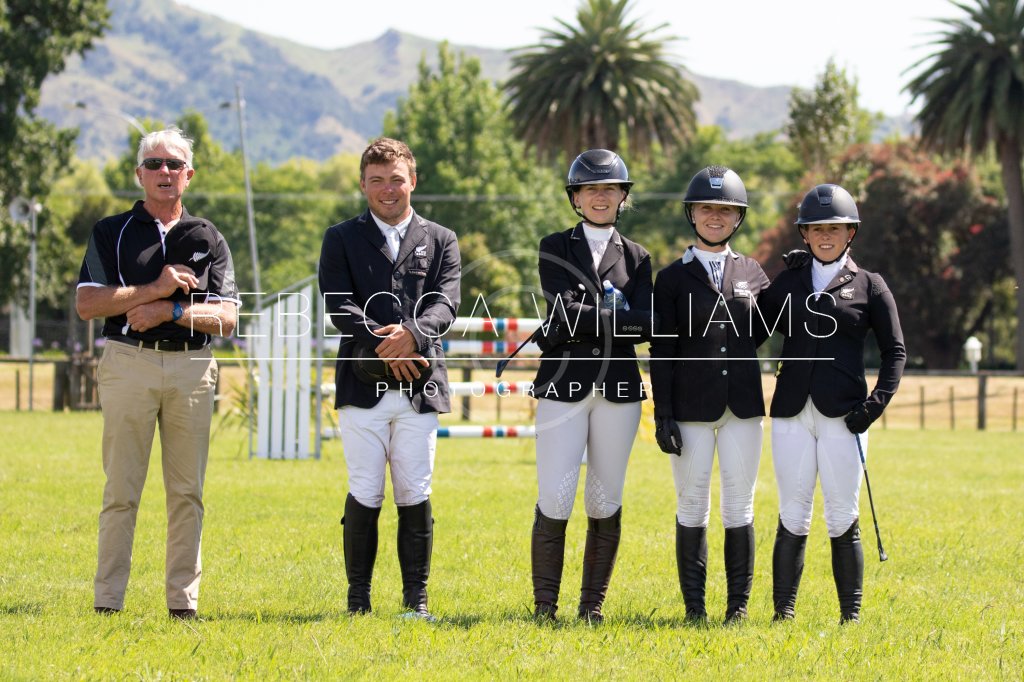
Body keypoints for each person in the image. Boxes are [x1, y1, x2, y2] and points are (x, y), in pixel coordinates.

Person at [76, 127, 240, 620]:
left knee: (187, 493)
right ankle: (108, 602)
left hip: (192, 367)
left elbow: (227, 318)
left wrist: (170, 312)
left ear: (189, 175)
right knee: (121, 491)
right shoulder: (111, 231)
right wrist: (156, 288)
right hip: (129, 362)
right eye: (154, 164)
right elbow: (88, 303)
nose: (164, 172)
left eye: (174, 164)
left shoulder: (209, 237)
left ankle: (182, 605)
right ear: (139, 174)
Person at [318, 137, 460, 622]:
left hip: (421, 385)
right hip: (361, 384)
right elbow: (338, 303)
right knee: (365, 487)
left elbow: (446, 302)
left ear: (412, 181)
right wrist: (387, 342)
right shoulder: (340, 237)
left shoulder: (441, 239)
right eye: (376, 180)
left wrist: (413, 336)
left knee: (415, 489)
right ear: (362, 185)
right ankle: (358, 601)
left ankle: (416, 601)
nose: (387, 189)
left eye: (396, 179)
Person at [759, 184, 905, 624]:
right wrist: (777, 279)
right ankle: (783, 614)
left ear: (850, 233)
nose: (826, 236)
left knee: (842, 514)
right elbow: (753, 329)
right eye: (817, 229)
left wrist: (875, 405)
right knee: (793, 513)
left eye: (835, 229)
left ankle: (850, 616)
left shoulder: (870, 285)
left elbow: (895, 352)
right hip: (791, 413)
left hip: (846, 416)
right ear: (804, 234)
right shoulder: (790, 280)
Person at [529, 149, 654, 623]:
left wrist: (591, 315)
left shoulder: (638, 257)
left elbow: (646, 325)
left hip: (618, 390)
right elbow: (562, 312)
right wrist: (617, 314)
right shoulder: (555, 246)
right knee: (555, 496)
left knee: (605, 499)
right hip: (562, 386)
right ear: (576, 198)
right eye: (590, 189)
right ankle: (545, 606)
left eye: (610, 189)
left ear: (623, 196)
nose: (600, 197)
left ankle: (591, 607)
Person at [649, 166, 770, 624]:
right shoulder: (671, 279)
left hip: (742, 406)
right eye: (706, 208)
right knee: (692, 503)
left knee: (740, 505)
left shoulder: (753, 272)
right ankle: (695, 609)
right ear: (692, 214)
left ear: (738, 217)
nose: (715, 216)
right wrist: (663, 413)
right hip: (690, 407)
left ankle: (737, 608)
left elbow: (761, 330)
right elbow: (662, 350)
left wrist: (795, 278)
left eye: (725, 210)